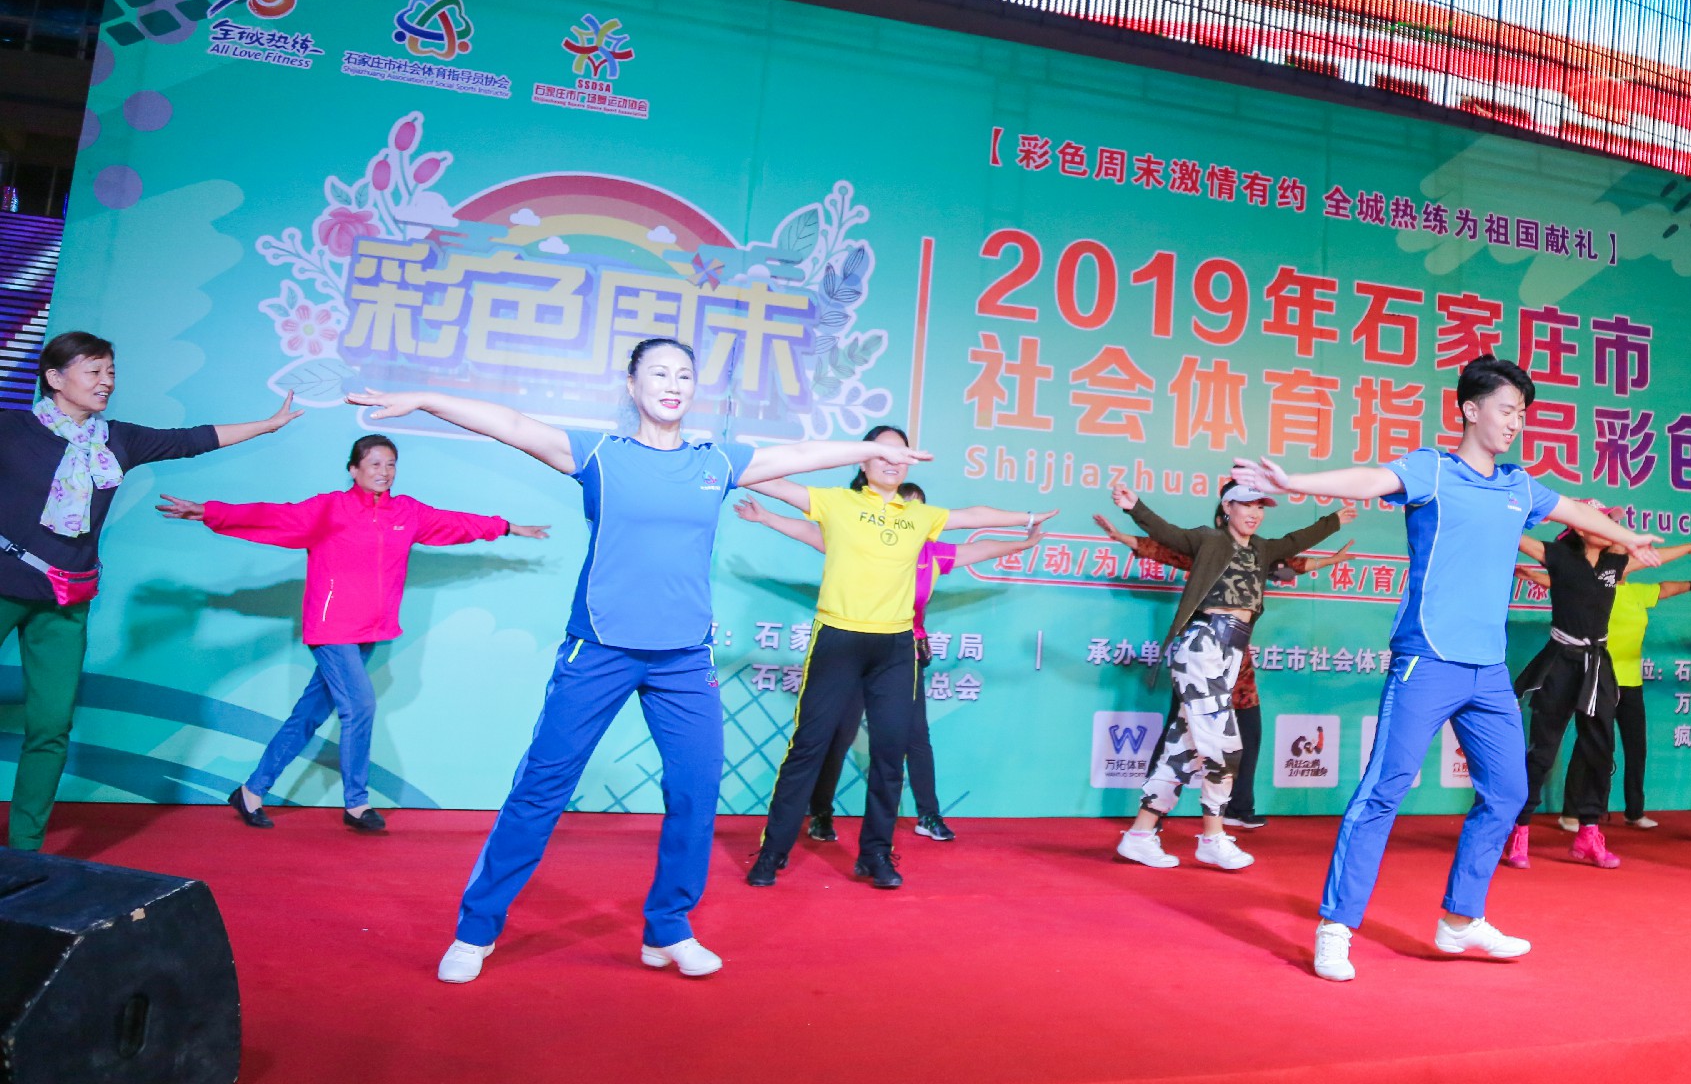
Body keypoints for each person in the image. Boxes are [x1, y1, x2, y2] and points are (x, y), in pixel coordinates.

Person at [350, 339, 924, 985]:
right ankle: (475, 930)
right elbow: (511, 424)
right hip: (600, 648)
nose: (672, 384)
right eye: (659, 373)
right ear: (632, 384)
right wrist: (426, 398)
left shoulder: (715, 461)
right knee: (541, 788)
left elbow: (795, 455)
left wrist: (873, 451)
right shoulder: (600, 454)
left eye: (684, 375)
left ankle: (668, 928)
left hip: (683, 658)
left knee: (695, 790)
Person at [1230, 354, 1662, 983]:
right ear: (1470, 409)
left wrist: (1628, 539)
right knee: (1384, 791)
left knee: (1509, 792)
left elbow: (1574, 511)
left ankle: (1461, 920)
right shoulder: (1431, 470)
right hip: (1427, 659)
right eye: (1507, 410)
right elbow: (1370, 479)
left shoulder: (1518, 486)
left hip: (1488, 672)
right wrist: (1294, 479)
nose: (1515, 423)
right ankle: (1335, 927)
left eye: (1522, 414)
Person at [0, 330, 300, 852]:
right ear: (54, 378)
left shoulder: (116, 441)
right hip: (4, 583)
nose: (106, 382)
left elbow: (190, 440)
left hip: (65, 600)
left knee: (51, 726)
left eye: (111, 372)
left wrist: (267, 425)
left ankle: (24, 850)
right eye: (94, 371)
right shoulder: (12, 429)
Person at [158, 434, 549, 834]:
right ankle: (357, 804)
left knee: (309, 715)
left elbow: (456, 523)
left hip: (369, 631)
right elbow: (273, 517)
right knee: (360, 707)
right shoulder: (330, 509)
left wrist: (508, 527)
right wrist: (209, 512)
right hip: (332, 628)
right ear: (354, 469)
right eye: (375, 464)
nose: (385, 472)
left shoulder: (406, 512)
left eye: (391, 464)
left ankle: (251, 791)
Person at [743, 430, 1048, 891]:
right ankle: (773, 851)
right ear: (864, 460)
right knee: (809, 746)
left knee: (889, 752)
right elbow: (773, 482)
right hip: (839, 638)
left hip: (895, 648)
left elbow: (973, 517)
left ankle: (876, 854)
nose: (892, 460)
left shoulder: (920, 516)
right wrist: (735, 474)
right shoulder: (837, 503)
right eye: (882, 452)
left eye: (901, 453)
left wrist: (1027, 518)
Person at [1105, 479, 1350, 871]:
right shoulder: (1208, 540)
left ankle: (1140, 835)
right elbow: (1167, 533)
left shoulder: (1262, 549)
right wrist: (1134, 507)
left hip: (1231, 653)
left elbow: (1296, 541)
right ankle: (1213, 837)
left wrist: (1334, 520)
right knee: (1225, 746)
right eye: (1246, 505)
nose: (1254, 513)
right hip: (1203, 645)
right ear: (1227, 508)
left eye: (1260, 506)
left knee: (1183, 748)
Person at [1506, 531, 1691, 865]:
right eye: (1598, 521)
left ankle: (1588, 834)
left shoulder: (1614, 565)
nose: (1606, 528)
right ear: (1579, 527)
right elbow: (1519, 537)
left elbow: (1655, 560)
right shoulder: (1560, 558)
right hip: (1561, 662)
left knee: (1600, 751)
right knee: (1542, 751)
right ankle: (1519, 829)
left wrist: (1690, 547)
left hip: (1597, 665)